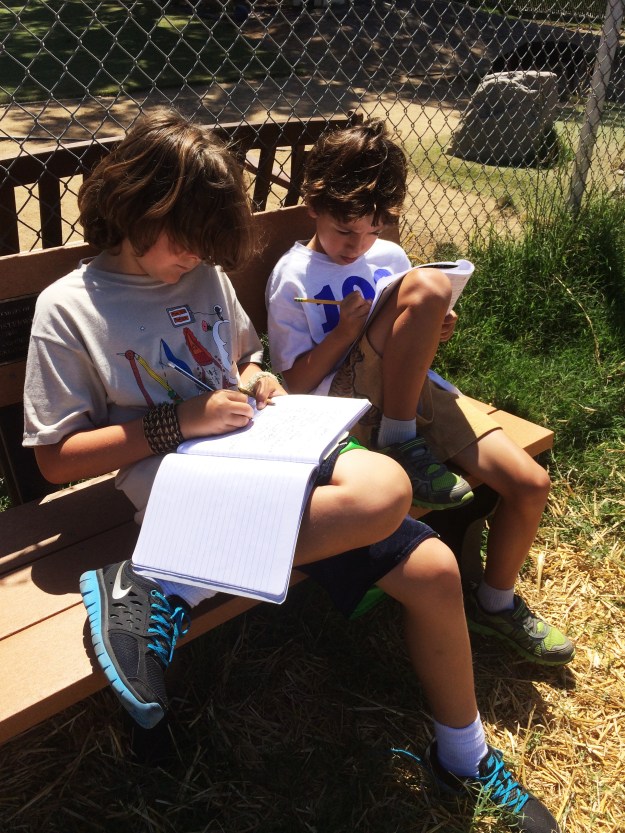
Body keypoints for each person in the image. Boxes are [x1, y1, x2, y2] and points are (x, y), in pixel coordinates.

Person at [23, 111, 560, 833]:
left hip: (269, 461)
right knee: (386, 490)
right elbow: (54, 458)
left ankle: (461, 756)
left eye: (205, 245)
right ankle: (161, 575)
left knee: (430, 565)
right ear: (135, 205)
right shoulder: (70, 308)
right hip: (188, 490)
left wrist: (257, 379)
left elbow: (242, 359)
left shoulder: (205, 276)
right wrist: (179, 421)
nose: (194, 257)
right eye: (183, 239)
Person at [266, 118, 574, 669]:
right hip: (349, 409)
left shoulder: (388, 257)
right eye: (345, 231)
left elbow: (409, 338)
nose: (358, 245)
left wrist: (433, 326)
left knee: (531, 483)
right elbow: (293, 384)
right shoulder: (293, 275)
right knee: (430, 283)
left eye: (372, 231)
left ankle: (496, 602)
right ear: (312, 204)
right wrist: (342, 333)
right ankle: (399, 439)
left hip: (414, 392)